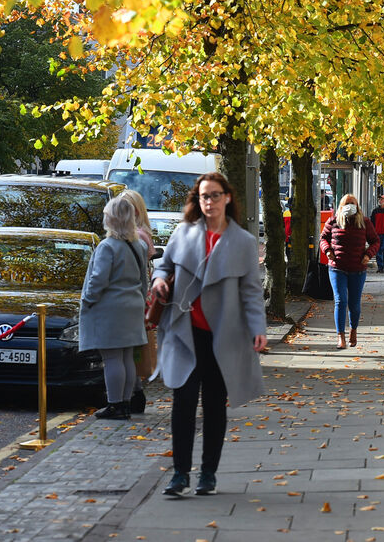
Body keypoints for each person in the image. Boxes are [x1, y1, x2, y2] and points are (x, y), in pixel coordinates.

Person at [150, 173, 267, 498]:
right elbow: (163, 266)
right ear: (197, 200)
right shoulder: (184, 233)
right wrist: (159, 282)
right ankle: (179, 475)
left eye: (215, 195)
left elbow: (251, 292)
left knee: (215, 405)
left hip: (222, 336)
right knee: (183, 403)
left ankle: (208, 474)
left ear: (227, 198)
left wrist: (258, 329)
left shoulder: (242, 242)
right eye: (204, 196)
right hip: (184, 333)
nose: (210, 202)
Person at [79, 196, 149, 420]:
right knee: (127, 356)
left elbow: (98, 280)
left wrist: (88, 299)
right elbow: (143, 278)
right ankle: (126, 403)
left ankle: (115, 404)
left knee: (111, 358)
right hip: (133, 306)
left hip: (111, 309)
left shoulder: (107, 247)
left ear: (111, 219)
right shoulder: (138, 245)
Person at [319, 194, 380, 350]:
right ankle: (341, 336)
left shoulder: (364, 222)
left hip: (357, 269)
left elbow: (375, 241)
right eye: (347, 203)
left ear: (357, 206)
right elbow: (323, 238)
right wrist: (327, 251)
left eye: (352, 203)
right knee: (340, 301)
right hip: (337, 267)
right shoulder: (333, 221)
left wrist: (368, 255)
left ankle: (353, 330)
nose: (350, 206)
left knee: (354, 304)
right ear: (341, 206)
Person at [120, 188, 155, 413]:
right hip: (138, 297)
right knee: (132, 351)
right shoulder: (141, 233)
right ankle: (134, 393)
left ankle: (133, 395)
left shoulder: (137, 236)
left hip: (133, 298)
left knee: (129, 351)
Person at [369, 195, 384, 273]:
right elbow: (372, 222)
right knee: (378, 249)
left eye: (382, 199)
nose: (380, 201)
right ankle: (380, 266)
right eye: (379, 199)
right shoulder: (375, 211)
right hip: (377, 233)